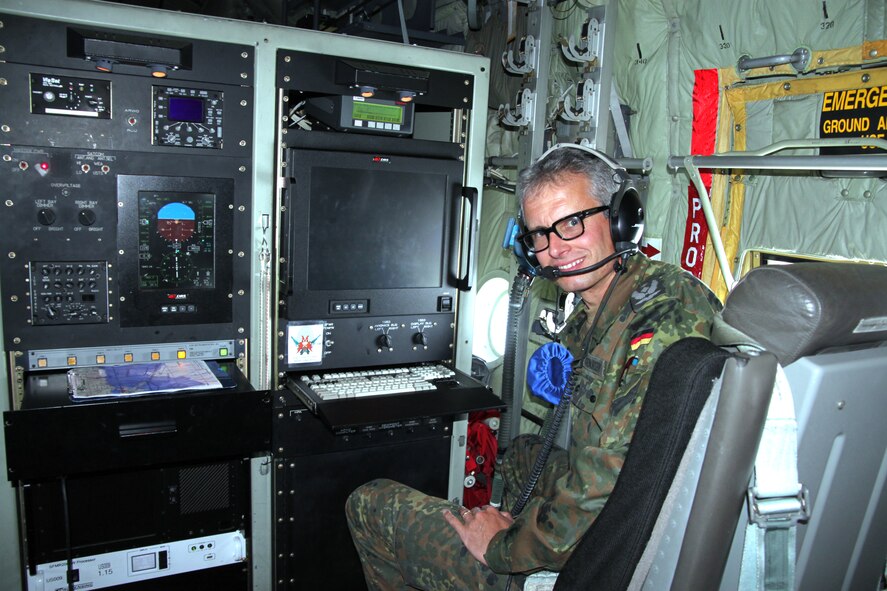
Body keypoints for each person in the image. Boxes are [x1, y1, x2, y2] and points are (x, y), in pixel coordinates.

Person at [345, 145, 722, 590]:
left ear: (622, 218)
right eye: (538, 234)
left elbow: (598, 492)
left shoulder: (660, 322)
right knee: (520, 454)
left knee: (367, 503)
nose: (553, 251)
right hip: (622, 513)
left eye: (570, 223)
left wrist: (501, 546)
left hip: (613, 555)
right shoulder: (627, 297)